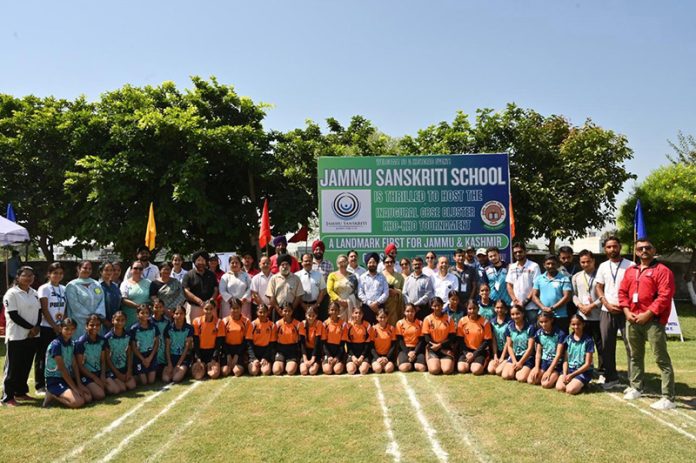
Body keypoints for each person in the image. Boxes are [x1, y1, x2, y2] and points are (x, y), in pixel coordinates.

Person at [619, 238, 676, 410]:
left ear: (653, 249)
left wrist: (648, 314)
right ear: (636, 252)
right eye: (640, 248)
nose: (644, 251)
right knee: (635, 356)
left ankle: (668, 397)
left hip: (653, 321)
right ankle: (636, 387)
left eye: (647, 248)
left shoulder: (663, 271)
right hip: (632, 319)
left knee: (661, 358)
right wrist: (627, 312)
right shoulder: (630, 271)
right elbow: (622, 292)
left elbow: (665, 296)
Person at [595, 235, 633, 390]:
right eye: (609, 247)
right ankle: (611, 377)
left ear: (620, 247)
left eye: (614, 246)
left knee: (631, 346)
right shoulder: (603, 266)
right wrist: (606, 303)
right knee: (607, 346)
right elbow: (599, 287)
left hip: (626, 311)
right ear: (605, 249)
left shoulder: (631, 265)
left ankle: (634, 380)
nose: (612, 249)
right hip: (607, 310)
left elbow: (635, 288)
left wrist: (625, 306)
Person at [2, 266, 41, 406]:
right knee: (13, 367)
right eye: (25, 275)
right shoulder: (11, 294)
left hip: (32, 336)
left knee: (25, 365)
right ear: (18, 277)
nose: (29, 278)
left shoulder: (34, 293)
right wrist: (30, 328)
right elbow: (13, 315)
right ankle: (7, 397)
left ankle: (21, 392)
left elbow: (39, 312)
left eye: (31, 275)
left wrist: (36, 327)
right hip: (16, 336)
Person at [42, 318, 89, 409]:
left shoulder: (71, 343)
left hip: (66, 379)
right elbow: (62, 369)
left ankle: (64, 393)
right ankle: (52, 394)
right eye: (66, 329)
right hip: (54, 380)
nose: (69, 331)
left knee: (88, 397)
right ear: (60, 329)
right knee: (79, 402)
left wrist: (78, 384)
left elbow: (74, 365)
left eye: (72, 329)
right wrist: (75, 388)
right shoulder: (56, 345)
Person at [35, 262, 66, 395]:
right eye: (55, 273)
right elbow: (44, 309)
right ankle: (40, 385)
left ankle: (56, 381)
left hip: (60, 328)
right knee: (43, 356)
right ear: (49, 274)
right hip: (47, 327)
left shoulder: (63, 288)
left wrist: (62, 326)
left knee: (58, 355)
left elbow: (65, 309)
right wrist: (54, 326)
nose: (57, 275)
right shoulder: (44, 288)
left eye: (60, 273)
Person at [572, 250, 602, 375]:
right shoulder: (576, 276)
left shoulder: (600, 275)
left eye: (588, 261)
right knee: (584, 345)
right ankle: (588, 368)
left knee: (601, 346)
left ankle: (602, 371)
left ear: (593, 261)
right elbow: (573, 295)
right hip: (582, 317)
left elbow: (604, 295)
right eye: (582, 262)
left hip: (598, 316)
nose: (585, 264)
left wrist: (592, 306)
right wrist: (580, 305)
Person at [532, 254, 572, 333]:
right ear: (544, 265)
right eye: (548, 264)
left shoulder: (564, 278)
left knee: (561, 342)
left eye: (553, 264)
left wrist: (552, 308)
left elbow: (567, 297)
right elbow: (534, 295)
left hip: (560, 316)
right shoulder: (539, 278)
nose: (551, 266)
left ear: (557, 264)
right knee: (543, 341)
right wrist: (543, 308)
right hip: (543, 315)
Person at [66, 261, 106, 338]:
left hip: (96, 322)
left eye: (90, 268)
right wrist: (90, 317)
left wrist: (96, 316)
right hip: (79, 322)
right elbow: (74, 305)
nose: (87, 270)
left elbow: (102, 301)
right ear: (78, 269)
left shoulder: (96, 284)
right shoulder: (72, 286)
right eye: (85, 268)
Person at [75, 314, 111, 400]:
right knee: (100, 395)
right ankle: (86, 388)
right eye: (91, 325)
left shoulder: (102, 340)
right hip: (86, 375)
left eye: (98, 325)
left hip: (98, 372)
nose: (95, 327)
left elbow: (103, 360)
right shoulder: (81, 342)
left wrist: (102, 375)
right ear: (86, 326)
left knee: (116, 389)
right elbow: (80, 366)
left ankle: (95, 388)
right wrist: (95, 379)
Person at [556, 315, 594, 395]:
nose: (576, 326)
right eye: (573, 324)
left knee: (570, 390)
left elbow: (587, 364)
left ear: (583, 324)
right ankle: (576, 382)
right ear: (570, 325)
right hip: (570, 370)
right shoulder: (568, 339)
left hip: (582, 371)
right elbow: (566, 360)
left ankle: (583, 383)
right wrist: (565, 374)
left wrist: (572, 375)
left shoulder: (588, 340)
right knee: (560, 388)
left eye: (578, 324)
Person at [505, 242, 540, 326]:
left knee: (532, 329)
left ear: (525, 252)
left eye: (520, 251)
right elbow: (509, 285)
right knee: (517, 329)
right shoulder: (512, 267)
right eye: (515, 252)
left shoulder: (534, 266)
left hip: (531, 306)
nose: (518, 254)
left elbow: (536, 286)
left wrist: (525, 301)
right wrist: (515, 300)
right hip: (516, 306)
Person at [527, 312, 565, 388]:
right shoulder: (539, 333)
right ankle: (546, 375)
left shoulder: (560, 334)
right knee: (531, 380)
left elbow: (558, 355)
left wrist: (549, 370)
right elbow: (538, 353)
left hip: (556, 364)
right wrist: (537, 367)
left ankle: (556, 376)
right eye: (541, 322)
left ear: (551, 320)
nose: (543, 324)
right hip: (544, 362)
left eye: (546, 321)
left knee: (545, 384)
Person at [501, 304, 535, 382]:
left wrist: (520, 363)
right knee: (506, 375)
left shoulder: (530, 328)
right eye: (512, 314)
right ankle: (510, 366)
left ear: (523, 313)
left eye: (517, 314)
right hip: (514, 357)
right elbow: (509, 346)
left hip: (526, 358)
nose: (515, 316)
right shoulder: (509, 327)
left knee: (521, 378)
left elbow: (530, 348)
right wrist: (514, 361)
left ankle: (526, 369)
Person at [422, 296, 456, 375]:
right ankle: (430, 357)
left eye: (439, 305)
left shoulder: (449, 319)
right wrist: (435, 346)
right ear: (431, 306)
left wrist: (440, 346)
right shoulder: (427, 319)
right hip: (432, 348)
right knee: (434, 370)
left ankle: (447, 360)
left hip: (445, 348)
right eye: (434, 306)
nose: (437, 308)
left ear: (442, 306)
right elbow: (427, 338)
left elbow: (452, 337)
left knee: (447, 370)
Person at [456, 301, 492, 375]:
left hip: (480, 351)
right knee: (461, 369)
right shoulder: (462, 321)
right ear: (467, 309)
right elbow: (460, 340)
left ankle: (480, 363)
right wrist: (466, 353)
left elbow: (486, 341)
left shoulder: (485, 322)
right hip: (466, 351)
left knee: (476, 370)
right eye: (470, 309)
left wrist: (474, 354)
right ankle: (471, 363)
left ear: (478, 309)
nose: (472, 311)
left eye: (474, 308)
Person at [191, 300, 224, 380]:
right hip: (200, 352)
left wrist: (213, 358)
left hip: (212, 352)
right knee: (197, 376)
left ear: (214, 309)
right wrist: (198, 358)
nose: (208, 311)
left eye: (211, 309)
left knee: (214, 375)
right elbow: (196, 342)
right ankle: (203, 366)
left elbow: (218, 343)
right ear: (203, 309)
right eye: (206, 309)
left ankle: (208, 366)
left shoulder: (219, 322)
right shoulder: (196, 321)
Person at [104, 311, 136, 391]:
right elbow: (107, 358)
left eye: (122, 320)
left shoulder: (128, 335)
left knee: (132, 386)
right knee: (121, 389)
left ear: (126, 321)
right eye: (117, 320)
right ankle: (109, 382)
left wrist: (129, 370)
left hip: (123, 368)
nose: (120, 322)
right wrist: (117, 374)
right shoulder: (107, 338)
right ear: (112, 320)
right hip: (112, 369)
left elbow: (129, 354)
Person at [182, 251, 219, 322]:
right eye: (198, 260)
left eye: (203, 260)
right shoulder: (188, 275)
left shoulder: (211, 274)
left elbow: (216, 289)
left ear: (206, 262)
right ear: (194, 262)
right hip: (194, 307)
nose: (201, 263)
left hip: (210, 307)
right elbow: (186, 290)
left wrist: (212, 299)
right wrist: (198, 300)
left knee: (212, 329)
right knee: (195, 329)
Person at [266, 254, 304, 322]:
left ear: (290, 266)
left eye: (287, 264)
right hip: (278, 311)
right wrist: (278, 309)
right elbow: (270, 295)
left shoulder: (296, 278)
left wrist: (291, 309)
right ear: (279, 266)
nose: (285, 266)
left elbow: (299, 296)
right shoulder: (273, 279)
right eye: (282, 264)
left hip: (293, 310)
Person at [130, 304, 160, 385]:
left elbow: (156, 343)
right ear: (137, 315)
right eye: (142, 313)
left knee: (151, 381)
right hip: (139, 356)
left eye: (147, 313)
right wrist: (143, 359)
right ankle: (134, 376)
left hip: (151, 355)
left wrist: (150, 358)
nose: (145, 315)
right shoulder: (134, 328)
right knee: (144, 382)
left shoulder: (154, 327)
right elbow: (133, 346)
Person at [163, 306, 194, 383]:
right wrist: (170, 364)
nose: (179, 316)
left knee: (175, 379)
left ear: (184, 315)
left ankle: (186, 369)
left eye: (181, 314)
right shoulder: (168, 328)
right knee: (166, 379)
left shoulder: (189, 328)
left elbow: (186, 348)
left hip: (183, 358)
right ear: (173, 315)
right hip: (172, 357)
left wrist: (178, 365)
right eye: (176, 313)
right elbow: (167, 348)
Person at [358, 253, 389, 324]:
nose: (372, 264)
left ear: (377, 263)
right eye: (370, 262)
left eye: (374, 262)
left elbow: (386, 292)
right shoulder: (362, 277)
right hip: (366, 307)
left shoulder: (382, 277)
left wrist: (377, 302)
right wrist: (370, 303)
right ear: (367, 264)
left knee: (379, 330)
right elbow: (360, 293)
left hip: (379, 307)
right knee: (367, 329)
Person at [273, 305, 305, 376]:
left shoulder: (298, 324)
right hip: (281, 350)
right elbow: (274, 341)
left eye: (289, 311)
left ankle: (290, 364)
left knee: (290, 371)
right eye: (285, 311)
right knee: (276, 371)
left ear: (292, 312)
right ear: (281, 312)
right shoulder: (277, 324)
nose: (287, 313)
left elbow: (300, 341)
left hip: (292, 351)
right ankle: (282, 364)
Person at [119, 260, 151, 328]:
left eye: (140, 269)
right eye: (135, 268)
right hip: (129, 317)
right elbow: (123, 299)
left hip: (145, 317)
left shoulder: (148, 283)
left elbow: (152, 298)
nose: (138, 270)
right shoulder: (125, 284)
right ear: (131, 270)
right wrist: (138, 306)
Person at [326, 254, 359, 322]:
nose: (343, 264)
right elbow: (330, 290)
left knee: (350, 325)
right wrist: (339, 300)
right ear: (337, 264)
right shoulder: (332, 275)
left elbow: (356, 290)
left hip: (350, 304)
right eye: (340, 262)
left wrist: (348, 301)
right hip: (336, 305)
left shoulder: (352, 276)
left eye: (344, 262)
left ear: (347, 263)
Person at [246, 304, 276, 377]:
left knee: (266, 371)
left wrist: (265, 357)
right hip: (255, 351)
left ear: (267, 313)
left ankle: (266, 364)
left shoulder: (272, 325)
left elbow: (272, 344)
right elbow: (249, 344)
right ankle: (252, 364)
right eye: (260, 312)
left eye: (264, 312)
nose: (262, 314)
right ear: (257, 313)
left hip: (266, 351)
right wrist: (253, 358)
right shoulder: (252, 324)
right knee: (254, 372)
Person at [219, 255, 252, 319]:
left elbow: (250, 288)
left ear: (240, 264)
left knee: (244, 323)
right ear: (229, 264)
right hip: (228, 305)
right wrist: (232, 301)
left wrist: (243, 299)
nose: (234, 264)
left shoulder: (246, 275)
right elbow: (222, 290)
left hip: (243, 304)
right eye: (232, 263)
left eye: (236, 263)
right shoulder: (225, 276)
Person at [395, 303, 426, 372]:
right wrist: (408, 352)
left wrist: (414, 352)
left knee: (421, 368)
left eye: (412, 311)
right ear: (404, 312)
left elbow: (421, 340)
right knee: (404, 368)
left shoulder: (420, 323)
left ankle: (413, 363)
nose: (410, 313)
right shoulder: (399, 323)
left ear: (415, 312)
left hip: (417, 349)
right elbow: (400, 341)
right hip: (404, 349)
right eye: (407, 311)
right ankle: (406, 362)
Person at [222, 301, 249, 377]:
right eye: (233, 308)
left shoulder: (246, 321)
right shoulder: (224, 321)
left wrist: (237, 355)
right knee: (224, 372)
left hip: (240, 350)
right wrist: (228, 354)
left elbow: (245, 341)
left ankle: (242, 366)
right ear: (230, 309)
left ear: (241, 309)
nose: (235, 310)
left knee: (237, 372)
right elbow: (222, 340)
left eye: (237, 308)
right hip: (227, 349)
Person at [296, 253, 327, 321]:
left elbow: (322, 291)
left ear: (312, 262)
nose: (308, 262)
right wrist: (303, 305)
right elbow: (296, 293)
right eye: (306, 261)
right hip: (301, 307)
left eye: (310, 261)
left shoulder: (319, 275)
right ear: (302, 263)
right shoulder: (297, 276)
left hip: (315, 306)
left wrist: (316, 305)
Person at [345, 306, 372, 375]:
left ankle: (362, 366)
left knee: (363, 371)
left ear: (362, 314)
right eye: (356, 313)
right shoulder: (348, 325)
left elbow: (367, 344)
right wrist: (353, 357)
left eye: (360, 313)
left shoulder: (367, 325)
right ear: (352, 314)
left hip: (363, 354)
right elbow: (348, 344)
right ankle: (354, 366)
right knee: (351, 371)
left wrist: (362, 357)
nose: (358, 315)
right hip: (353, 354)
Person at [451, 248, 479, 314]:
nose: (461, 258)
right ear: (454, 258)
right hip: (455, 302)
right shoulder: (450, 270)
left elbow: (474, 286)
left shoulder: (471, 269)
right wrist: (456, 301)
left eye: (463, 256)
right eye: (459, 256)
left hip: (468, 302)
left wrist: (470, 300)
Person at [322, 301, 347, 375]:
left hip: (339, 352)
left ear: (339, 311)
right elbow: (324, 343)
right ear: (328, 311)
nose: (334, 312)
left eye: (336, 310)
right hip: (328, 352)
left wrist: (337, 357)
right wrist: (329, 356)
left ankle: (342, 363)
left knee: (337, 370)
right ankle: (324, 362)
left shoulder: (343, 324)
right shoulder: (325, 324)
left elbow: (343, 344)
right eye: (332, 310)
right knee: (328, 371)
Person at [300, 306, 325, 376]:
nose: (311, 318)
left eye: (313, 315)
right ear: (305, 315)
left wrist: (312, 360)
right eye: (309, 315)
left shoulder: (319, 323)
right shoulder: (302, 324)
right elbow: (302, 344)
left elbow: (317, 343)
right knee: (303, 371)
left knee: (312, 371)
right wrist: (305, 359)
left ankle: (319, 364)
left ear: (316, 315)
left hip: (316, 352)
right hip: (306, 352)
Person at [381, 254, 405, 326]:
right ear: (383, 263)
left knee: (396, 324)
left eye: (391, 262)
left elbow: (404, 291)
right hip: (384, 305)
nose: (389, 264)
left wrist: (397, 291)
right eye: (387, 262)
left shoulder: (399, 276)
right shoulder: (380, 276)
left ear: (394, 263)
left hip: (396, 306)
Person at [371, 309, 397, 374]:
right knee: (378, 369)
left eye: (384, 317)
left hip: (388, 356)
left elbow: (393, 345)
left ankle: (386, 365)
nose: (382, 319)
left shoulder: (391, 328)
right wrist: (377, 358)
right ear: (376, 318)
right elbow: (371, 346)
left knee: (388, 369)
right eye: (380, 317)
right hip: (377, 356)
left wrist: (387, 358)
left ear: (387, 318)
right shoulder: (373, 329)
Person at [488, 300, 510, 376]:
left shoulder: (510, 322)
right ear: (494, 308)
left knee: (498, 371)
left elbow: (508, 342)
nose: (499, 310)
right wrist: (495, 355)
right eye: (497, 307)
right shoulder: (492, 322)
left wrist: (502, 357)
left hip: (507, 353)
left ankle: (506, 363)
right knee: (491, 370)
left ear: (505, 309)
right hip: (497, 352)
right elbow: (493, 340)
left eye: (501, 308)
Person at [99, 262, 121, 332]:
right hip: (103, 323)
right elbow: (96, 305)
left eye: (111, 270)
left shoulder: (115, 286)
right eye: (106, 270)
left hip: (116, 322)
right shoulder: (97, 286)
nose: (109, 272)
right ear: (101, 272)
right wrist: (104, 321)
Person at [151, 298, 170, 375]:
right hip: (151, 352)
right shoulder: (148, 321)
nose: (158, 309)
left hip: (163, 351)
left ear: (163, 308)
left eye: (160, 307)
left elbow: (167, 339)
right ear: (152, 308)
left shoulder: (167, 321)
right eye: (156, 307)